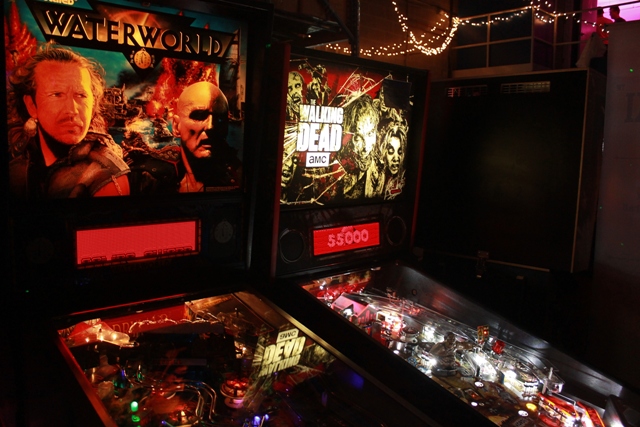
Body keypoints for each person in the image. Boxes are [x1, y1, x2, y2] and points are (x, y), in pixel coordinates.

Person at [8, 44, 130, 199]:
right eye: (57, 94)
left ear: (93, 104)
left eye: (81, 95)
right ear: (31, 105)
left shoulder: (105, 177)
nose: (72, 110)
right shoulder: (17, 156)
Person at [171, 81, 241, 193]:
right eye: (199, 116)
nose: (210, 126)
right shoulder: (152, 178)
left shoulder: (240, 177)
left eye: (220, 118)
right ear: (176, 126)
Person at [337, 94, 380, 199]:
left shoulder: (378, 172)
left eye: (370, 134)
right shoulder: (337, 174)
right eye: (358, 138)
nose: (366, 147)